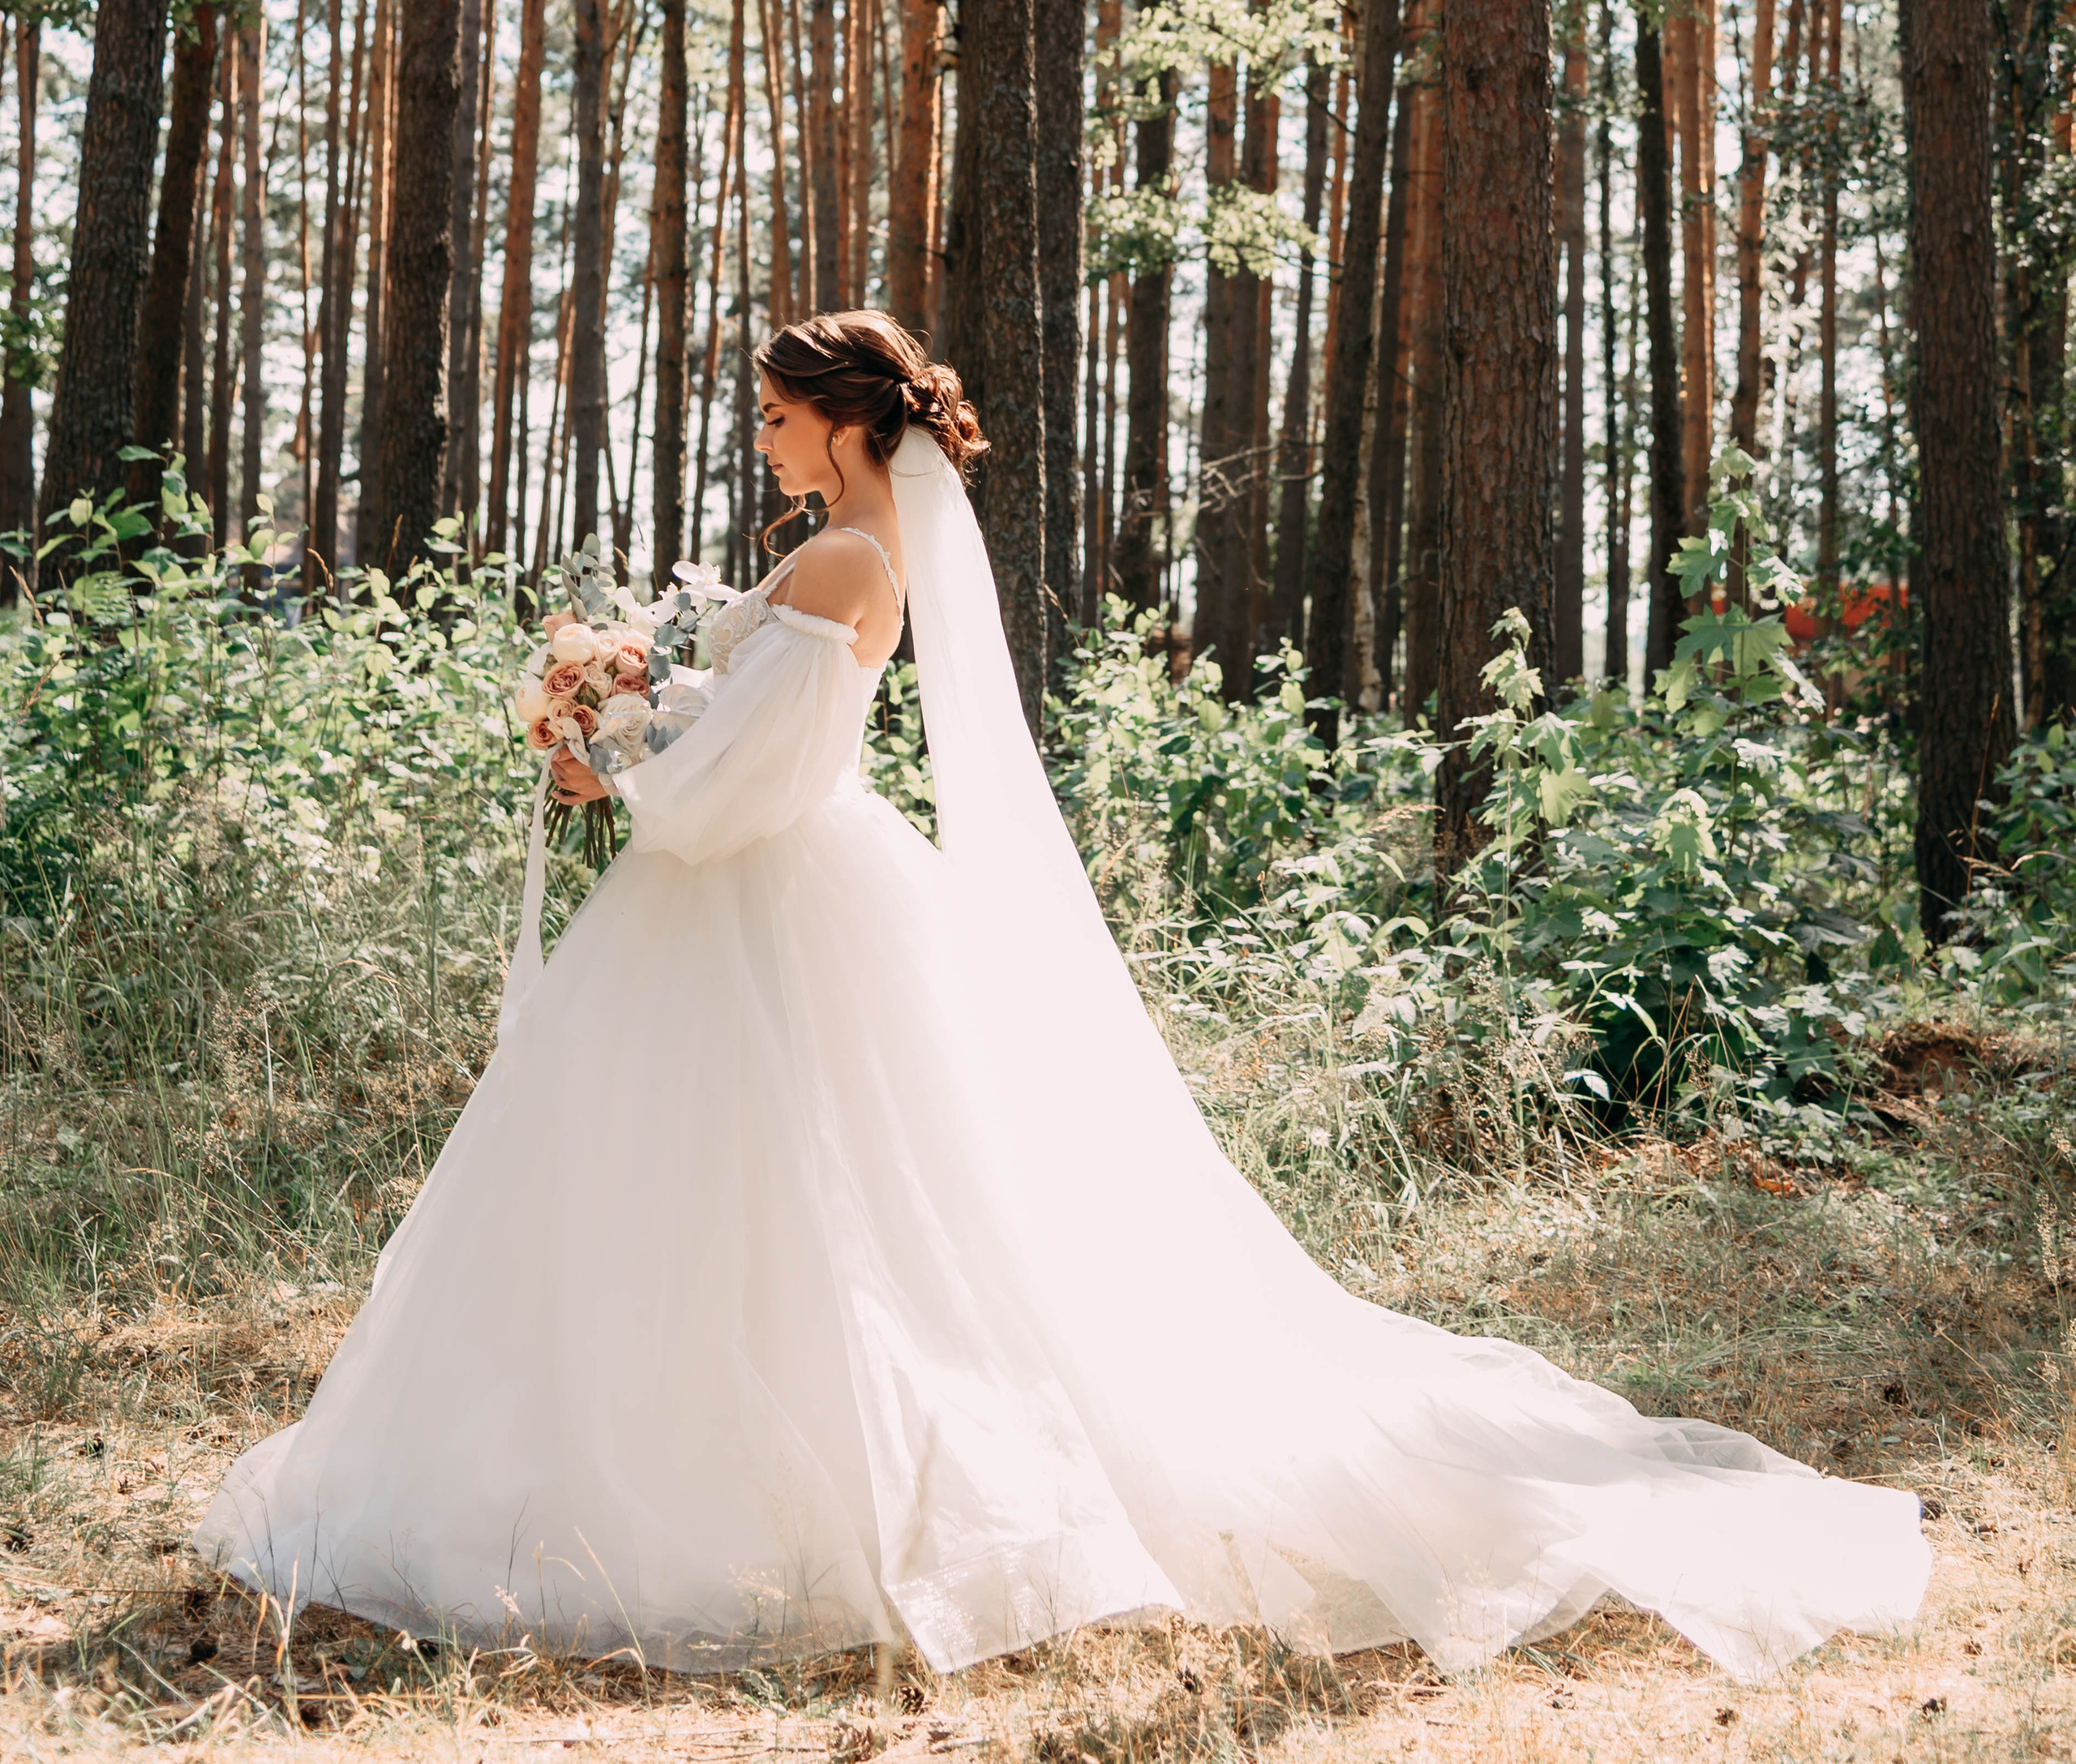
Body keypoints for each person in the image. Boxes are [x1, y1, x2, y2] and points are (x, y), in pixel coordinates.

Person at [195, 310, 1928, 1684]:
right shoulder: (832, 550)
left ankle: (748, 1500)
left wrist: (617, 771)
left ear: (849, 424)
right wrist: (632, 713)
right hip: (736, 897)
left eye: (779, 415)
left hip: (762, 898)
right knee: (690, 1203)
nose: (763, 437)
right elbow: (732, 737)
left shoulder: (851, 563)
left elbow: (752, 785)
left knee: (808, 1210)